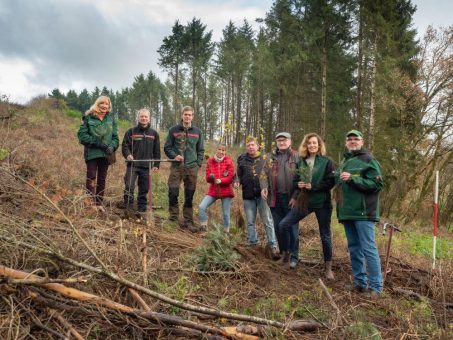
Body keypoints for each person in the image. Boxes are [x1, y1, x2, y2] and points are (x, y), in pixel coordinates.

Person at [279, 133, 335, 279]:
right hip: (304, 201)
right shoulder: (302, 161)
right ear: (306, 145)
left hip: (322, 203)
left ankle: (328, 267)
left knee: (325, 235)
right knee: (284, 224)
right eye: (309, 143)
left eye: (314, 143)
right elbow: (296, 180)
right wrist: (298, 186)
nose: (312, 145)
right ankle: (287, 256)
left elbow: (330, 182)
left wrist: (314, 186)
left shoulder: (326, 161)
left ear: (319, 145)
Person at [336, 129, 384, 296]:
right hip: (347, 212)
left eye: (356, 139)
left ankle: (376, 287)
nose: (352, 141)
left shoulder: (369, 160)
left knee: (368, 248)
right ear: (346, 143)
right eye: (349, 139)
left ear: (362, 142)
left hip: (364, 213)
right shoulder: (345, 161)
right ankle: (359, 283)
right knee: (354, 248)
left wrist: (353, 178)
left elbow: (377, 184)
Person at [234, 136, 279, 258]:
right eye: (248, 145)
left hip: (263, 195)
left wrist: (269, 190)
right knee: (250, 222)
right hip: (248, 195)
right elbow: (238, 175)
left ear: (258, 146)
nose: (250, 147)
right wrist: (237, 181)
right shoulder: (242, 159)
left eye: (253, 145)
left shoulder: (265, 158)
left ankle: (273, 245)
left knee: (267, 220)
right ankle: (253, 244)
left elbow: (271, 176)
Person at [260, 132, 300, 266]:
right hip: (274, 198)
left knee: (292, 227)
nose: (282, 143)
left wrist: (295, 196)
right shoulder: (271, 157)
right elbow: (263, 175)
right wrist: (264, 187)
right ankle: (284, 254)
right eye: (279, 141)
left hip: (291, 199)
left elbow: (302, 178)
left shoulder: (297, 156)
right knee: (278, 227)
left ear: (290, 141)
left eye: (284, 140)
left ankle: (294, 257)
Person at [164, 106, 204, 231]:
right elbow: (167, 147)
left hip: (192, 168)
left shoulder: (197, 132)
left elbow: (201, 150)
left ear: (193, 116)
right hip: (176, 167)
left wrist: (198, 164)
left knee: (189, 195)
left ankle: (188, 221)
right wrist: (174, 156)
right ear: (182, 115)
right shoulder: (173, 130)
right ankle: (173, 218)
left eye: (190, 115)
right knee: (173, 191)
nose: (187, 116)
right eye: (185, 114)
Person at [77, 95, 119, 210]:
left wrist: (112, 146)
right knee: (91, 177)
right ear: (97, 104)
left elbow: (115, 137)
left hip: (106, 154)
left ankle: (99, 204)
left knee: (102, 179)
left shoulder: (111, 119)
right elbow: (82, 136)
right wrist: (98, 143)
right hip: (92, 153)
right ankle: (90, 204)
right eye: (102, 103)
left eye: (107, 104)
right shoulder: (88, 117)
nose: (104, 106)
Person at [120, 108, 160, 215]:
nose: (144, 118)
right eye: (142, 116)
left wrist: (156, 164)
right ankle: (128, 207)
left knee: (144, 189)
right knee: (129, 186)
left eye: (146, 117)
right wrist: (128, 154)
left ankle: (141, 210)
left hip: (147, 166)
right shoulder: (131, 132)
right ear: (138, 117)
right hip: (133, 165)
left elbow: (157, 150)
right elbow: (125, 146)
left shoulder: (154, 134)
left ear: (149, 118)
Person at [198, 143, 235, 232]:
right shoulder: (210, 161)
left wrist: (221, 180)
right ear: (216, 149)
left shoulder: (229, 161)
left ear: (225, 151)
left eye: (223, 150)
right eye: (219, 149)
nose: (221, 152)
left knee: (226, 214)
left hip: (226, 191)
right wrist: (210, 177)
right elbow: (207, 179)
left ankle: (226, 232)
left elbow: (230, 178)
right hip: (213, 190)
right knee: (201, 207)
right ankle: (203, 227)